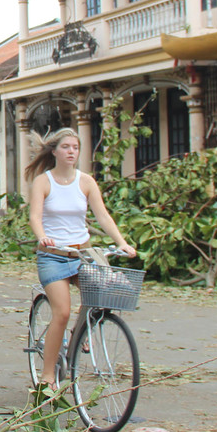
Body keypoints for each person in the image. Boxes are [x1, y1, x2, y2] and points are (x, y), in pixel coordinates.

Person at [25, 127, 135, 389]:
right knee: (61, 312)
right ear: (54, 151)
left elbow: (103, 216)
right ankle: (48, 376)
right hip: (53, 256)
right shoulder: (44, 181)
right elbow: (35, 217)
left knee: (104, 296)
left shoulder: (86, 182)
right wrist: (42, 237)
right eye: (66, 147)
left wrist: (122, 243)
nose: (71, 151)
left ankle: (78, 334)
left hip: (83, 254)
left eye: (75, 147)